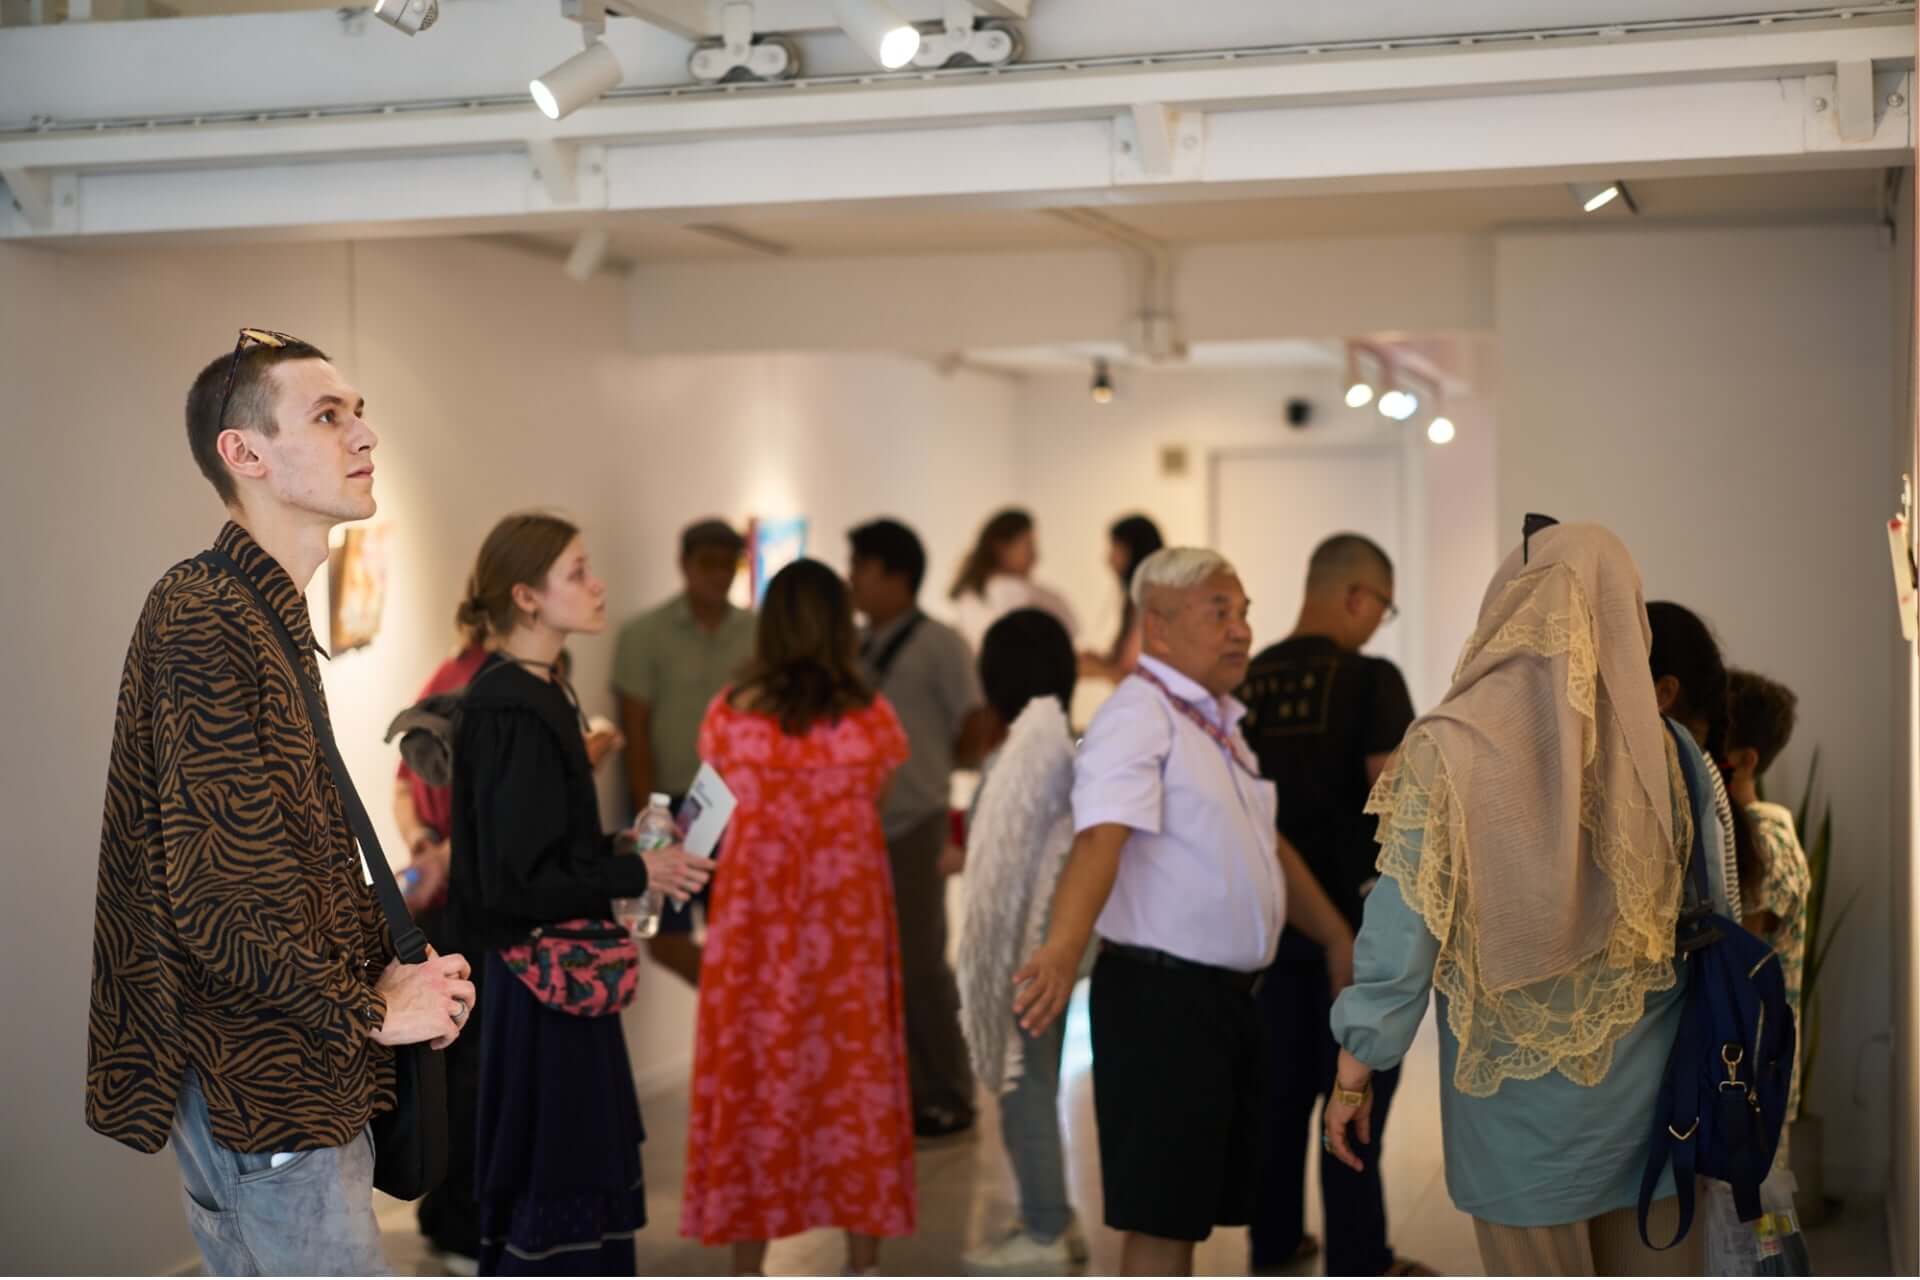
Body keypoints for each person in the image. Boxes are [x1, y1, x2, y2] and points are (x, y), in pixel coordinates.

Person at [87, 328, 476, 1275]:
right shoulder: (206, 614)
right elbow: (218, 904)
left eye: (360, 412)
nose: (364, 435)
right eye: (328, 414)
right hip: (265, 1081)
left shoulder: (258, 612)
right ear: (245, 453)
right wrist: (371, 1011)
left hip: (296, 1072)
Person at [1324, 523, 1705, 1277]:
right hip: (1656, 1112)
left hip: (1520, 1129)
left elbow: (1403, 933)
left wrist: (1353, 1073)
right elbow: (1709, 907)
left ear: (1510, 604)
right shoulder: (1664, 748)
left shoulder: (1445, 750)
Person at [1014, 547, 1355, 1277]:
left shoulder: (1215, 720)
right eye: (1219, 613)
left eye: (1244, 613)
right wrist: (1063, 946)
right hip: (1160, 1003)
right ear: (1157, 628)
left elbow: (1265, 844)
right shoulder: (1137, 717)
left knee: (1193, 1216)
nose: (1241, 631)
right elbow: (1100, 840)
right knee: (1163, 1222)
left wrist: (1331, 932)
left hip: (1222, 1004)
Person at [447, 512, 711, 1276]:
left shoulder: (541, 690)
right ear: (527, 598)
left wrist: (623, 851)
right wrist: (636, 873)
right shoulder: (510, 706)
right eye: (578, 572)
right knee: (554, 1172)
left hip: (560, 982)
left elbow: (542, 850)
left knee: (571, 1174)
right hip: (539, 991)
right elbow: (515, 881)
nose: (598, 585)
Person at [681, 559, 916, 1276]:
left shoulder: (729, 716)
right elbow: (881, 790)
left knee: (752, 1078)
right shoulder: (871, 722)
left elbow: (698, 823)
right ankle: (863, 1261)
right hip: (846, 936)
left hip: (755, 936)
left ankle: (747, 1264)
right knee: (857, 1076)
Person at [1237, 534, 1431, 1278]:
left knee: (1278, 1104)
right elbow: (1399, 804)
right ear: (1357, 596)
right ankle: (1357, 1260)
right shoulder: (1371, 679)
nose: (1380, 622)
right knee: (1353, 1100)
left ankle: (1274, 1245)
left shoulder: (1246, 681)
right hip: (1354, 934)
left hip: (1268, 929)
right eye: (1382, 606)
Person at [849, 517, 997, 1138]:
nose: (853, 580)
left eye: (862, 568)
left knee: (918, 960)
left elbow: (976, 721)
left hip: (915, 819)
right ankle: (896, 1090)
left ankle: (947, 1091)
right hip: (856, 827)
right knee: (871, 965)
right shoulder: (854, 646)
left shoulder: (940, 643)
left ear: (897, 575)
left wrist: (942, 768)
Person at [956, 608, 1092, 1275]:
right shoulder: (1051, 742)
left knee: (1025, 1087)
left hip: (1029, 948)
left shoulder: (1030, 751)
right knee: (1028, 1082)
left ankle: (1043, 1228)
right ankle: (1050, 1218)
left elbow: (1007, 869)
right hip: (1044, 943)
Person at [613, 518, 756, 987]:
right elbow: (634, 733)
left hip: (738, 808)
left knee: (739, 934)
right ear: (685, 564)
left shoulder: (756, 635)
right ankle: (728, 1003)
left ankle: (735, 1026)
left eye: (727, 564)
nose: (718, 575)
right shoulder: (645, 635)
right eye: (707, 564)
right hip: (669, 806)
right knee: (664, 937)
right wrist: (647, 817)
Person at [1725, 668, 1811, 1165]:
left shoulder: (1764, 840)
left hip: (1754, 1074)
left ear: (1744, 761)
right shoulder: (1758, 832)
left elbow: (1740, 957)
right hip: (1748, 1071)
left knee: (1750, 1231)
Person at [948, 507, 1079, 651]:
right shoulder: (1011, 590)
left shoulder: (969, 594)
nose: (1035, 556)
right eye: (1028, 546)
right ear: (1001, 547)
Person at [1078, 513, 1163, 682]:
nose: (1109, 559)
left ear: (1133, 552)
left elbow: (1139, 676)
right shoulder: (1137, 602)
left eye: (1115, 549)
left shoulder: (1153, 603)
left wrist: (1101, 669)